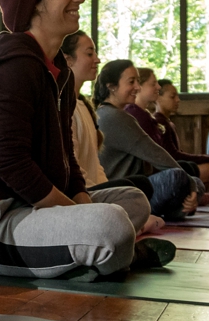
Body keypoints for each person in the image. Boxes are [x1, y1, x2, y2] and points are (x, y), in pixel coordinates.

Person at [0, 0, 175, 281]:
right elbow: (10, 162)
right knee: (111, 224)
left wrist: (80, 203)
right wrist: (83, 215)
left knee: (133, 200)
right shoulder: (15, 67)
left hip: (29, 208)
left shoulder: (59, 73)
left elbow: (66, 159)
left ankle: (92, 255)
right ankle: (113, 253)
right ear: (36, 2)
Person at [60, 31, 157, 204]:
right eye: (89, 53)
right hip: (79, 194)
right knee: (139, 189)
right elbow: (71, 169)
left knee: (139, 186)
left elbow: (96, 167)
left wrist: (110, 190)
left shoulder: (84, 106)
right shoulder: (63, 107)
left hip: (94, 191)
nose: (97, 59)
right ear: (68, 60)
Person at [95, 60, 198, 220]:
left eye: (138, 81)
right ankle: (166, 212)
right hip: (124, 195)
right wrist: (192, 186)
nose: (137, 86)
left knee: (189, 174)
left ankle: (175, 210)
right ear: (111, 86)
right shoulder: (116, 117)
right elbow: (156, 155)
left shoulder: (110, 113)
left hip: (132, 187)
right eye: (131, 82)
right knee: (180, 177)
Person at [129, 71, 209, 190]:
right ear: (139, 86)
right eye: (153, 84)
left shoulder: (147, 116)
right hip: (152, 175)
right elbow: (166, 155)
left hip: (162, 167)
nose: (158, 87)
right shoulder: (139, 116)